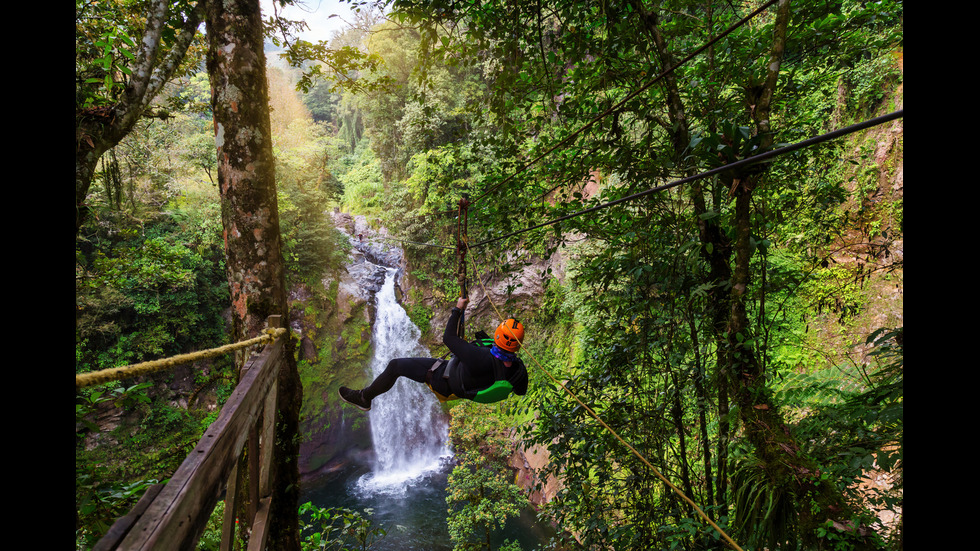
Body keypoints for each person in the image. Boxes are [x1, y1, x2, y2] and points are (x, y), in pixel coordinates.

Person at [338, 297, 528, 411]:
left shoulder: (478, 357)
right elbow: (520, 390)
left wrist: (458, 309)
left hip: (443, 378)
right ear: (518, 346)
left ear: (497, 336)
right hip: (463, 386)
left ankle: (364, 397)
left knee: (396, 365)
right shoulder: (520, 371)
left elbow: (449, 338)